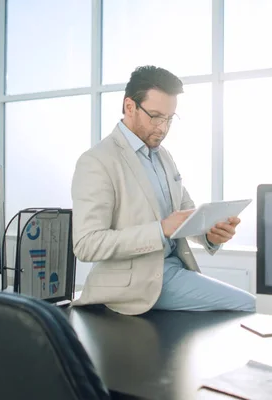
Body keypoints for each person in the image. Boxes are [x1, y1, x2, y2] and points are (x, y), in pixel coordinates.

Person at [71, 65, 255, 315]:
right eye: (156, 116)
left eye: (169, 118)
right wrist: (160, 230)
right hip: (135, 285)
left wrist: (211, 235)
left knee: (247, 305)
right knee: (250, 305)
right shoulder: (98, 160)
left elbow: (187, 215)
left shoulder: (163, 156)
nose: (163, 127)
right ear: (129, 107)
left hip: (173, 271)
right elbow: (86, 244)